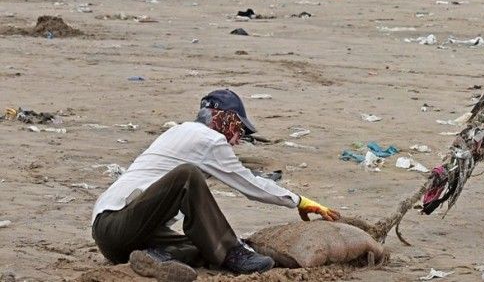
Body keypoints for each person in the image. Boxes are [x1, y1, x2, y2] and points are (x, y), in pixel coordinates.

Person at [91, 89, 340, 280]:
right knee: (187, 176)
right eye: (239, 130)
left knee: (206, 246)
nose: (238, 140)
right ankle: (234, 253)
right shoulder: (208, 139)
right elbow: (248, 184)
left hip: (117, 240)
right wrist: (299, 200)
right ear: (226, 120)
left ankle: (151, 258)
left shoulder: (180, 132)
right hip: (116, 223)